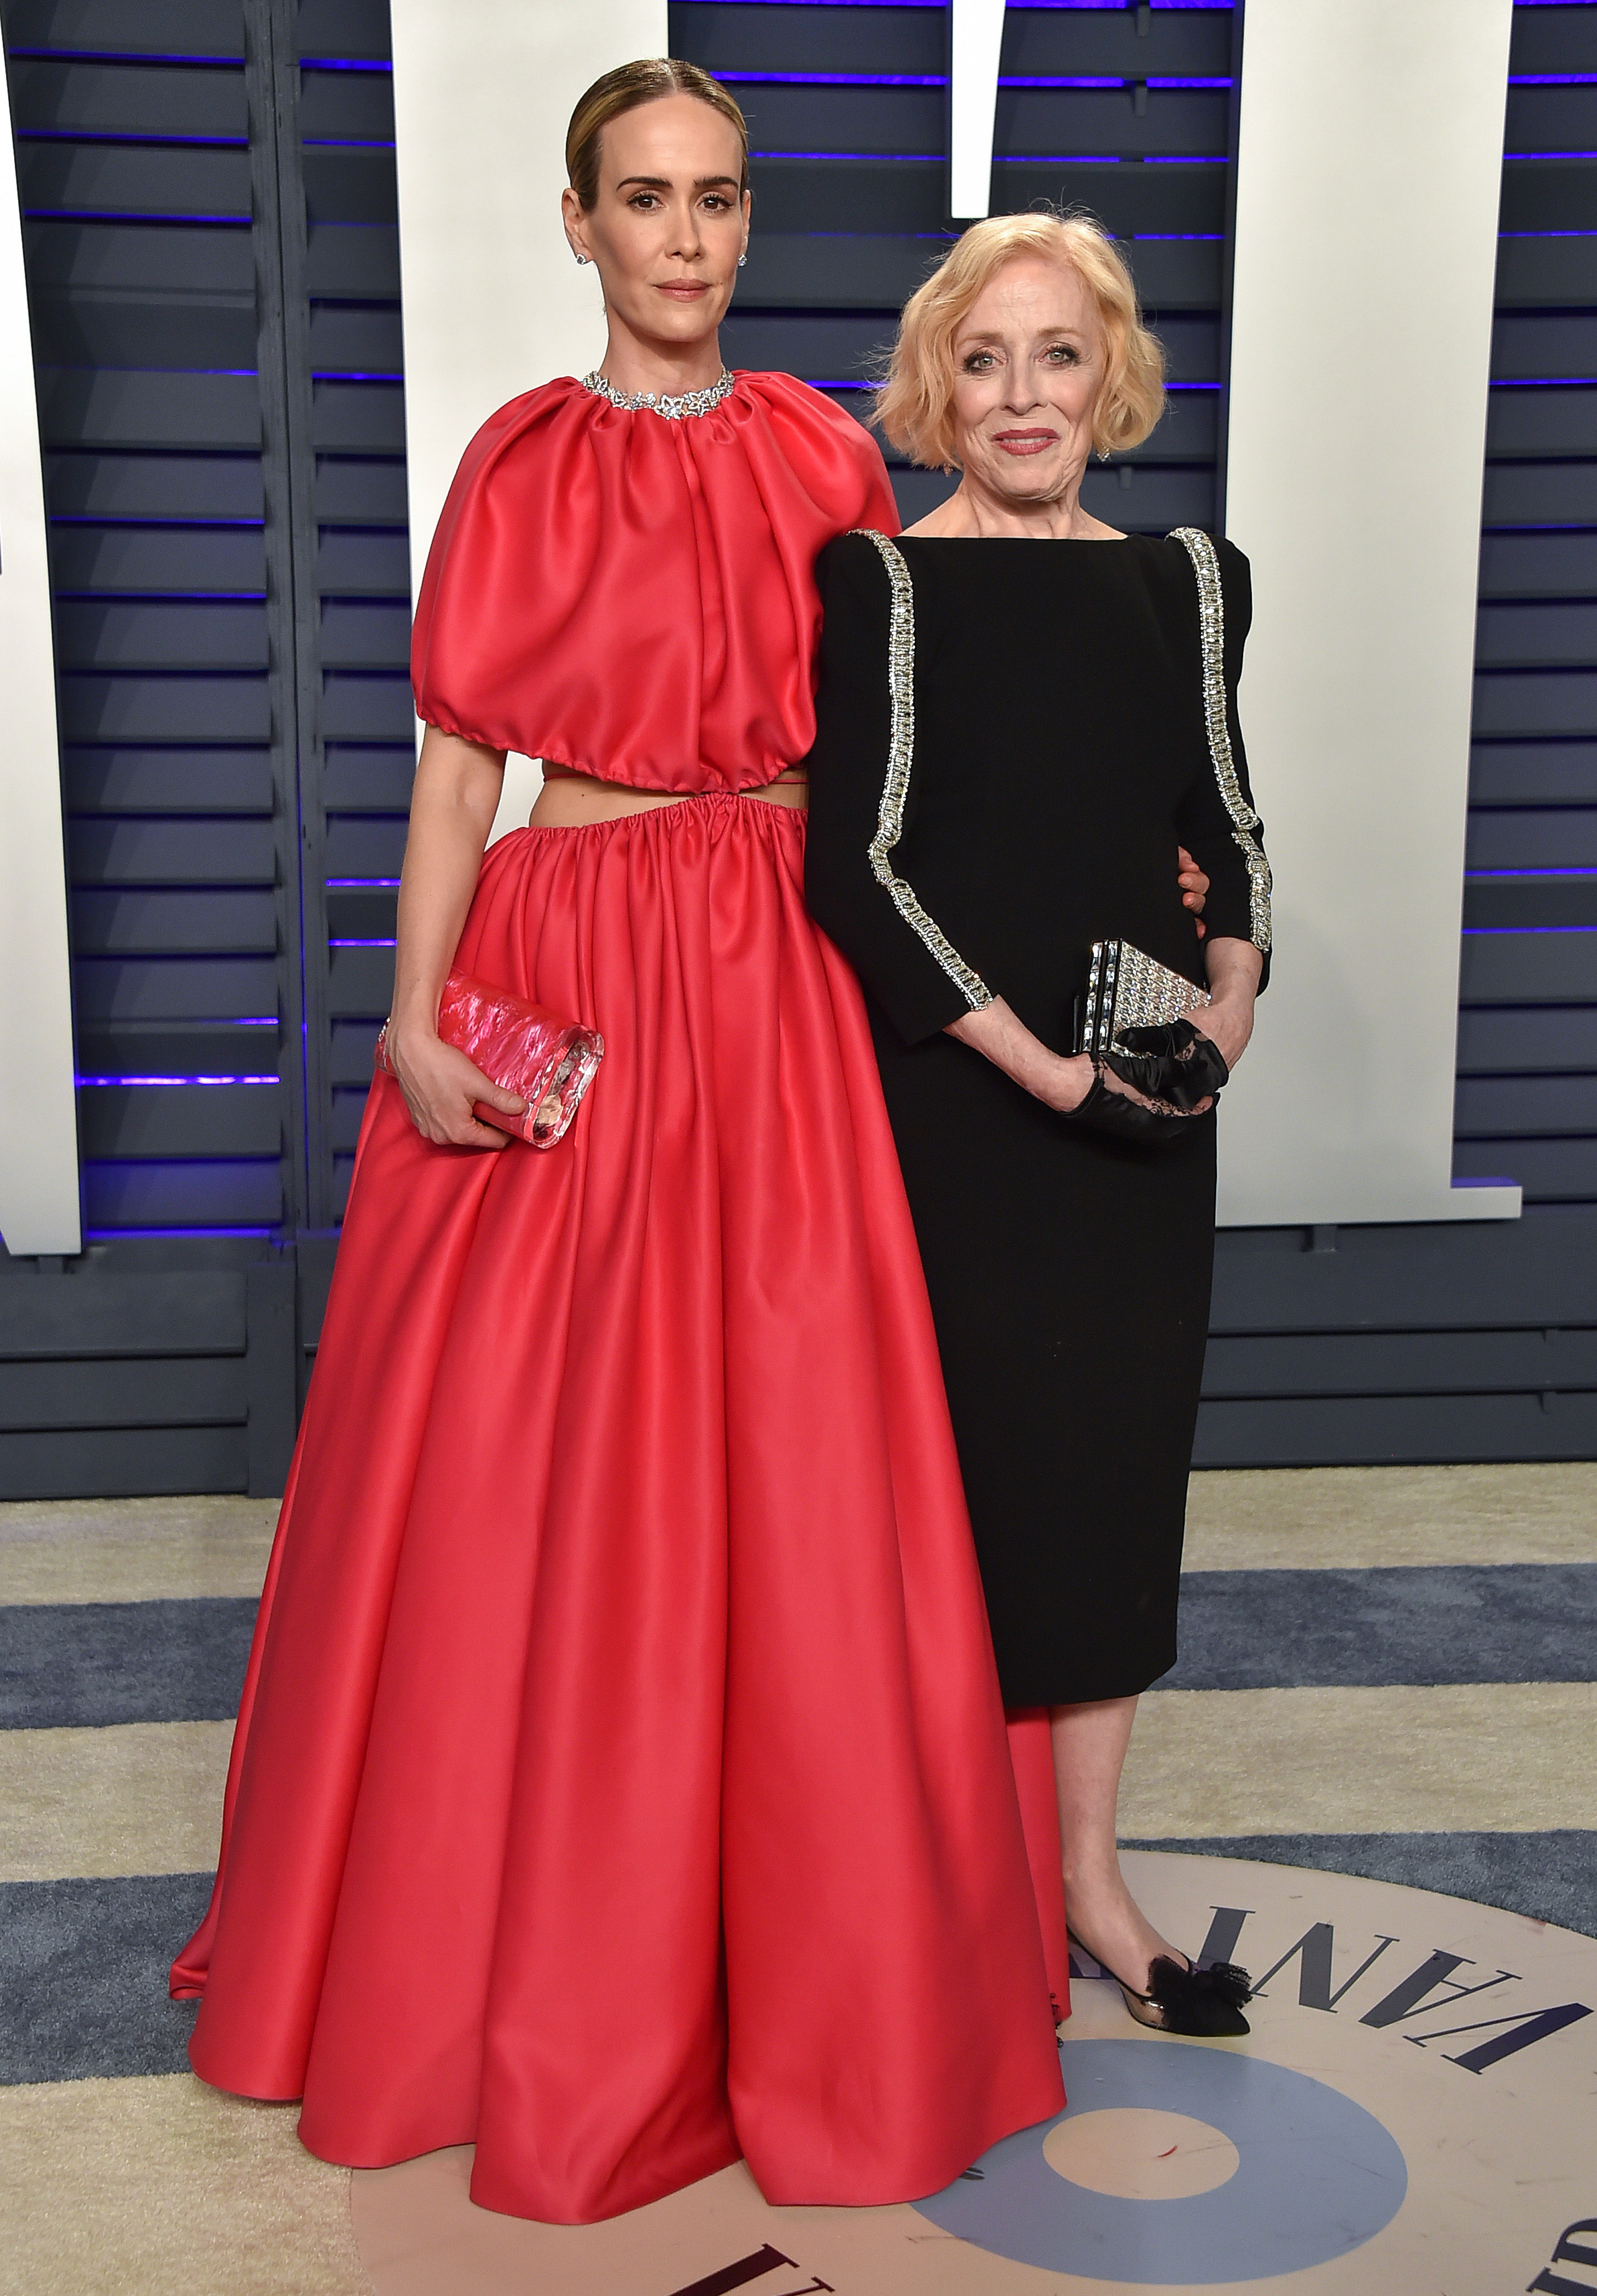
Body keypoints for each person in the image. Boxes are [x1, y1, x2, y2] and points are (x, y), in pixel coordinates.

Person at [169, 63, 1069, 2224]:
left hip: (775, 972)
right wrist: (405, 1018)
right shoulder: (515, 461)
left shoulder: (823, 455)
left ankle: (814, 1986)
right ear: (577, 226)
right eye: (644, 201)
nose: (685, 237)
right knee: (516, 1474)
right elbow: (461, 776)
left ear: (748, 227)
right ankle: (525, 1972)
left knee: (792, 1464)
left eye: (718, 201)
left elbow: (920, 749)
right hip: (567, 962)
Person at [804, 212, 1268, 2037]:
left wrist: (1227, 1004)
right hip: (967, 1123)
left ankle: (1090, 1889)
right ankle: (959, 1898)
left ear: (1109, 376)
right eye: (983, 361)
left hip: (1153, 1111)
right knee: (961, 1502)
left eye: (1056, 357)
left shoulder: (1192, 578)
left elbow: (1222, 816)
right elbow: (861, 865)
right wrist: (1037, 1070)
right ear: (938, 385)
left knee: (1108, 1494)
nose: (1021, 397)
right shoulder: (885, 586)